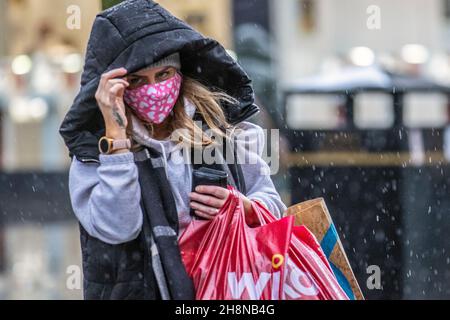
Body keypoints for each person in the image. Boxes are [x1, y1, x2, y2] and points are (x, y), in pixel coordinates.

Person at [60, 0, 286, 300]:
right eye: (137, 81)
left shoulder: (225, 133)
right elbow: (118, 228)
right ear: (114, 87)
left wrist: (240, 206)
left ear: (180, 73)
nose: (153, 89)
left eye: (164, 75)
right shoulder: (94, 154)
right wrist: (116, 139)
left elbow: (272, 206)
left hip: (231, 292)